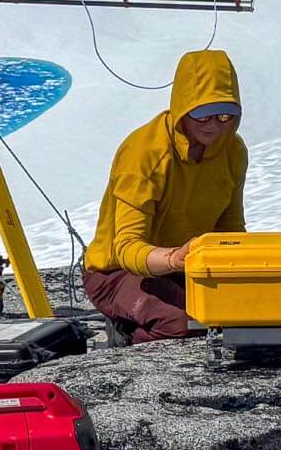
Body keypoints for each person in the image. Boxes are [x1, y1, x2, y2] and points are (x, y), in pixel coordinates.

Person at [83, 49, 247, 344]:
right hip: (116, 273)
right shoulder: (144, 153)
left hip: (186, 267)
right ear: (183, 107)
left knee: (247, 312)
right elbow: (126, 248)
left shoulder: (232, 151)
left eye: (226, 115)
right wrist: (174, 259)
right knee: (183, 323)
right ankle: (126, 339)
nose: (215, 124)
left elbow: (231, 228)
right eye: (202, 114)